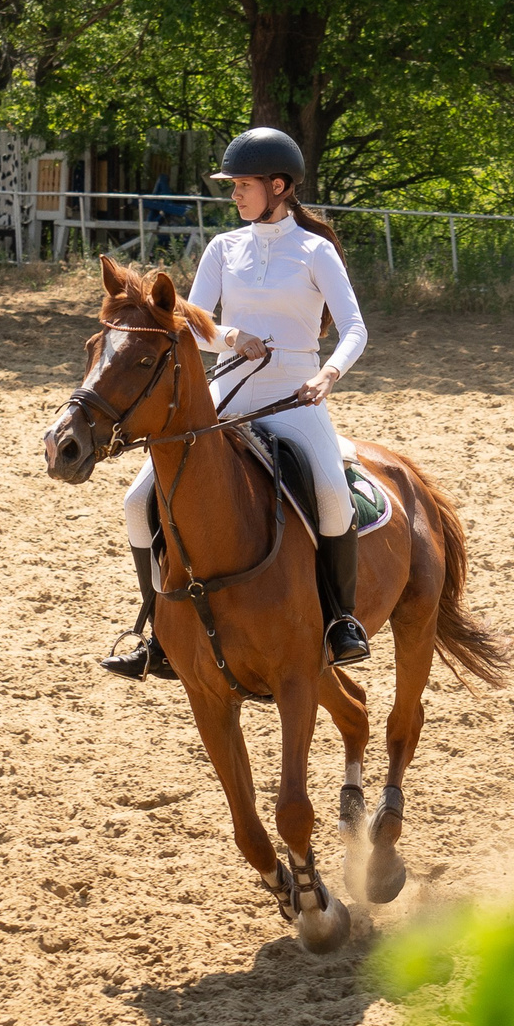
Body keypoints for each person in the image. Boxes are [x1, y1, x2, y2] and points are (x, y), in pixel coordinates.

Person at [103, 127, 372, 679]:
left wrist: (328, 373)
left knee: (331, 495)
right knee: (136, 501)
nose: (234, 195)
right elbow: (189, 325)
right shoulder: (224, 248)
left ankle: (341, 621)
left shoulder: (315, 251)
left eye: (242, 185)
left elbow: (354, 328)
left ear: (278, 186)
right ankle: (155, 632)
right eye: (233, 186)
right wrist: (232, 337)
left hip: (295, 397)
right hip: (225, 397)